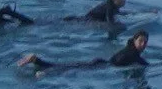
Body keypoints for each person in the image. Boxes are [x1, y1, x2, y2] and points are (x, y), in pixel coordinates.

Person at [17, 29, 150, 74]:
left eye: (145, 42)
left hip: (101, 63)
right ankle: (40, 64)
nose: (143, 44)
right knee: (66, 69)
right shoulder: (133, 54)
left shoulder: (130, 50)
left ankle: (38, 62)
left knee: (68, 66)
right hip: (101, 66)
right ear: (134, 41)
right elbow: (143, 63)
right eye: (140, 41)